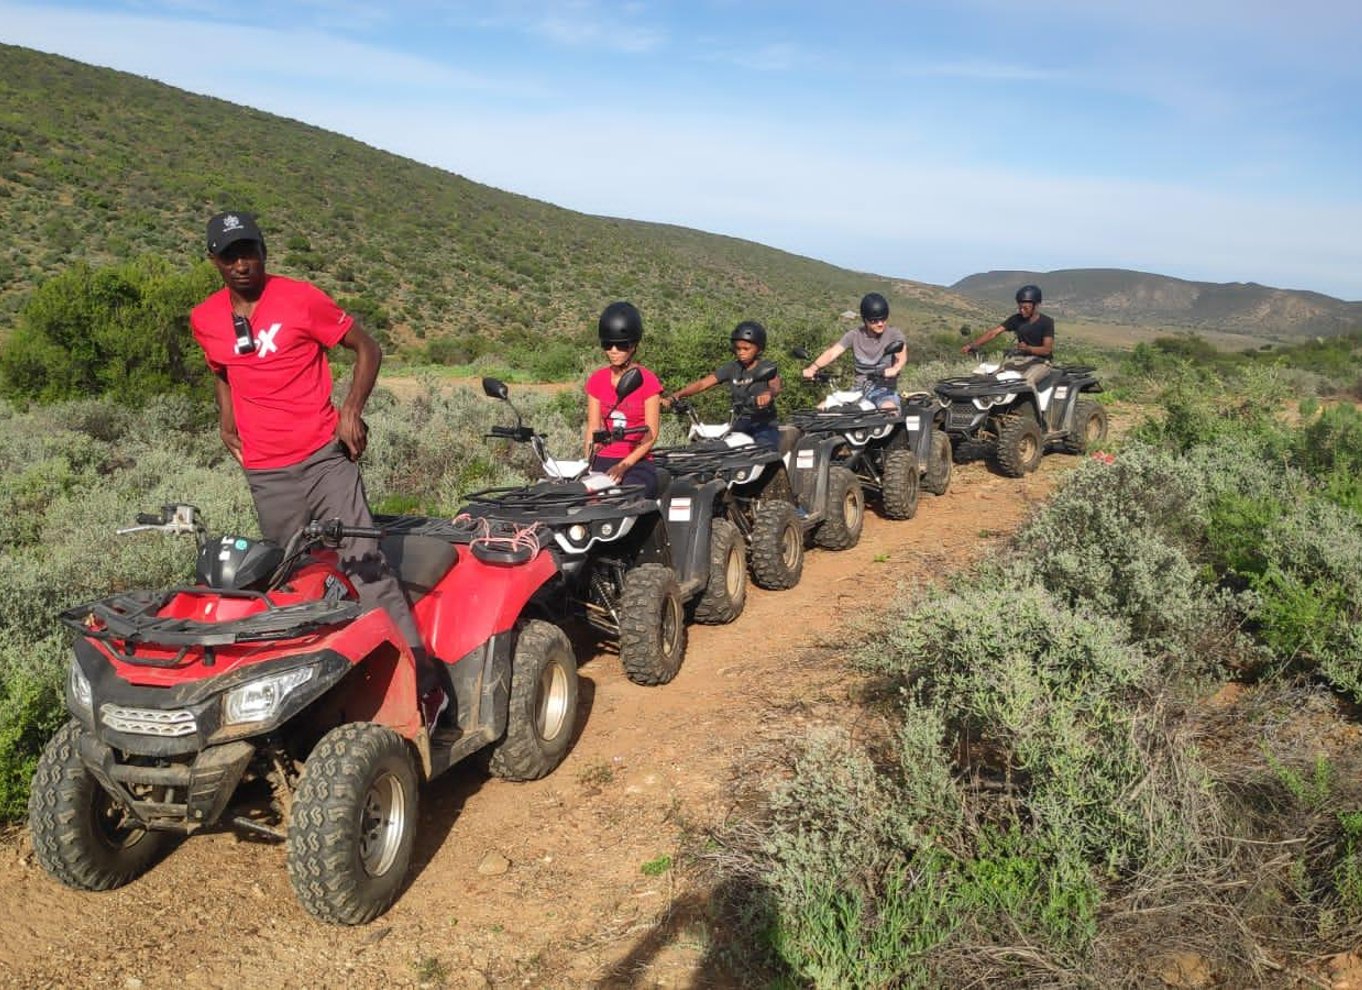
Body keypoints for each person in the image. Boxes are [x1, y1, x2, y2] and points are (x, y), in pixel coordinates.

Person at [188, 211, 446, 730]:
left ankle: (424, 681)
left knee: (365, 565)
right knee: (292, 582)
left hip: (324, 457)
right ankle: (318, 703)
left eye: (250, 250)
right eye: (230, 254)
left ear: (264, 251)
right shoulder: (205, 318)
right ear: (214, 260)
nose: (242, 263)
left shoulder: (301, 298)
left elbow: (367, 347)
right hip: (267, 472)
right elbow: (222, 370)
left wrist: (351, 409)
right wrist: (225, 420)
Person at [661, 320, 783, 449]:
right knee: (715, 448)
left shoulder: (765, 367)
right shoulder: (732, 368)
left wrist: (767, 394)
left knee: (766, 452)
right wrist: (676, 396)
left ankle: (776, 469)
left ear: (759, 349)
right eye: (738, 348)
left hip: (763, 424)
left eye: (746, 348)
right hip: (738, 421)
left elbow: (775, 386)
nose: (741, 352)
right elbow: (702, 383)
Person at [585, 301, 664, 496]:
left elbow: (651, 434)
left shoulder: (648, 381)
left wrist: (623, 466)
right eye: (607, 344)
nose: (613, 350)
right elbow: (593, 428)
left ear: (633, 345)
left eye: (620, 345)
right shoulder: (597, 380)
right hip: (602, 457)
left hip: (636, 460)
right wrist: (587, 463)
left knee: (630, 495)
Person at [801, 292, 907, 410]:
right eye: (874, 321)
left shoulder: (893, 334)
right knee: (821, 409)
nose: (880, 323)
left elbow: (901, 355)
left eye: (883, 319)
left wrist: (896, 368)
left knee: (888, 409)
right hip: (858, 390)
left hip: (883, 390)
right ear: (865, 320)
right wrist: (813, 368)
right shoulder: (854, 335)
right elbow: (832, 353)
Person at [962, 283, 1054, 386]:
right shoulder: (1016, 319)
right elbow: (993, 333)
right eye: (1019, 308)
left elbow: (1047, 350)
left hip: (1041, 363)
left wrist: (1028, 349)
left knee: (1025, 383)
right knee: (992, 379)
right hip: (1020, 360)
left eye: (1026, 308)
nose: (1022, 311)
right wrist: (972, 345)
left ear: (1036, 305)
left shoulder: (1047, 322)